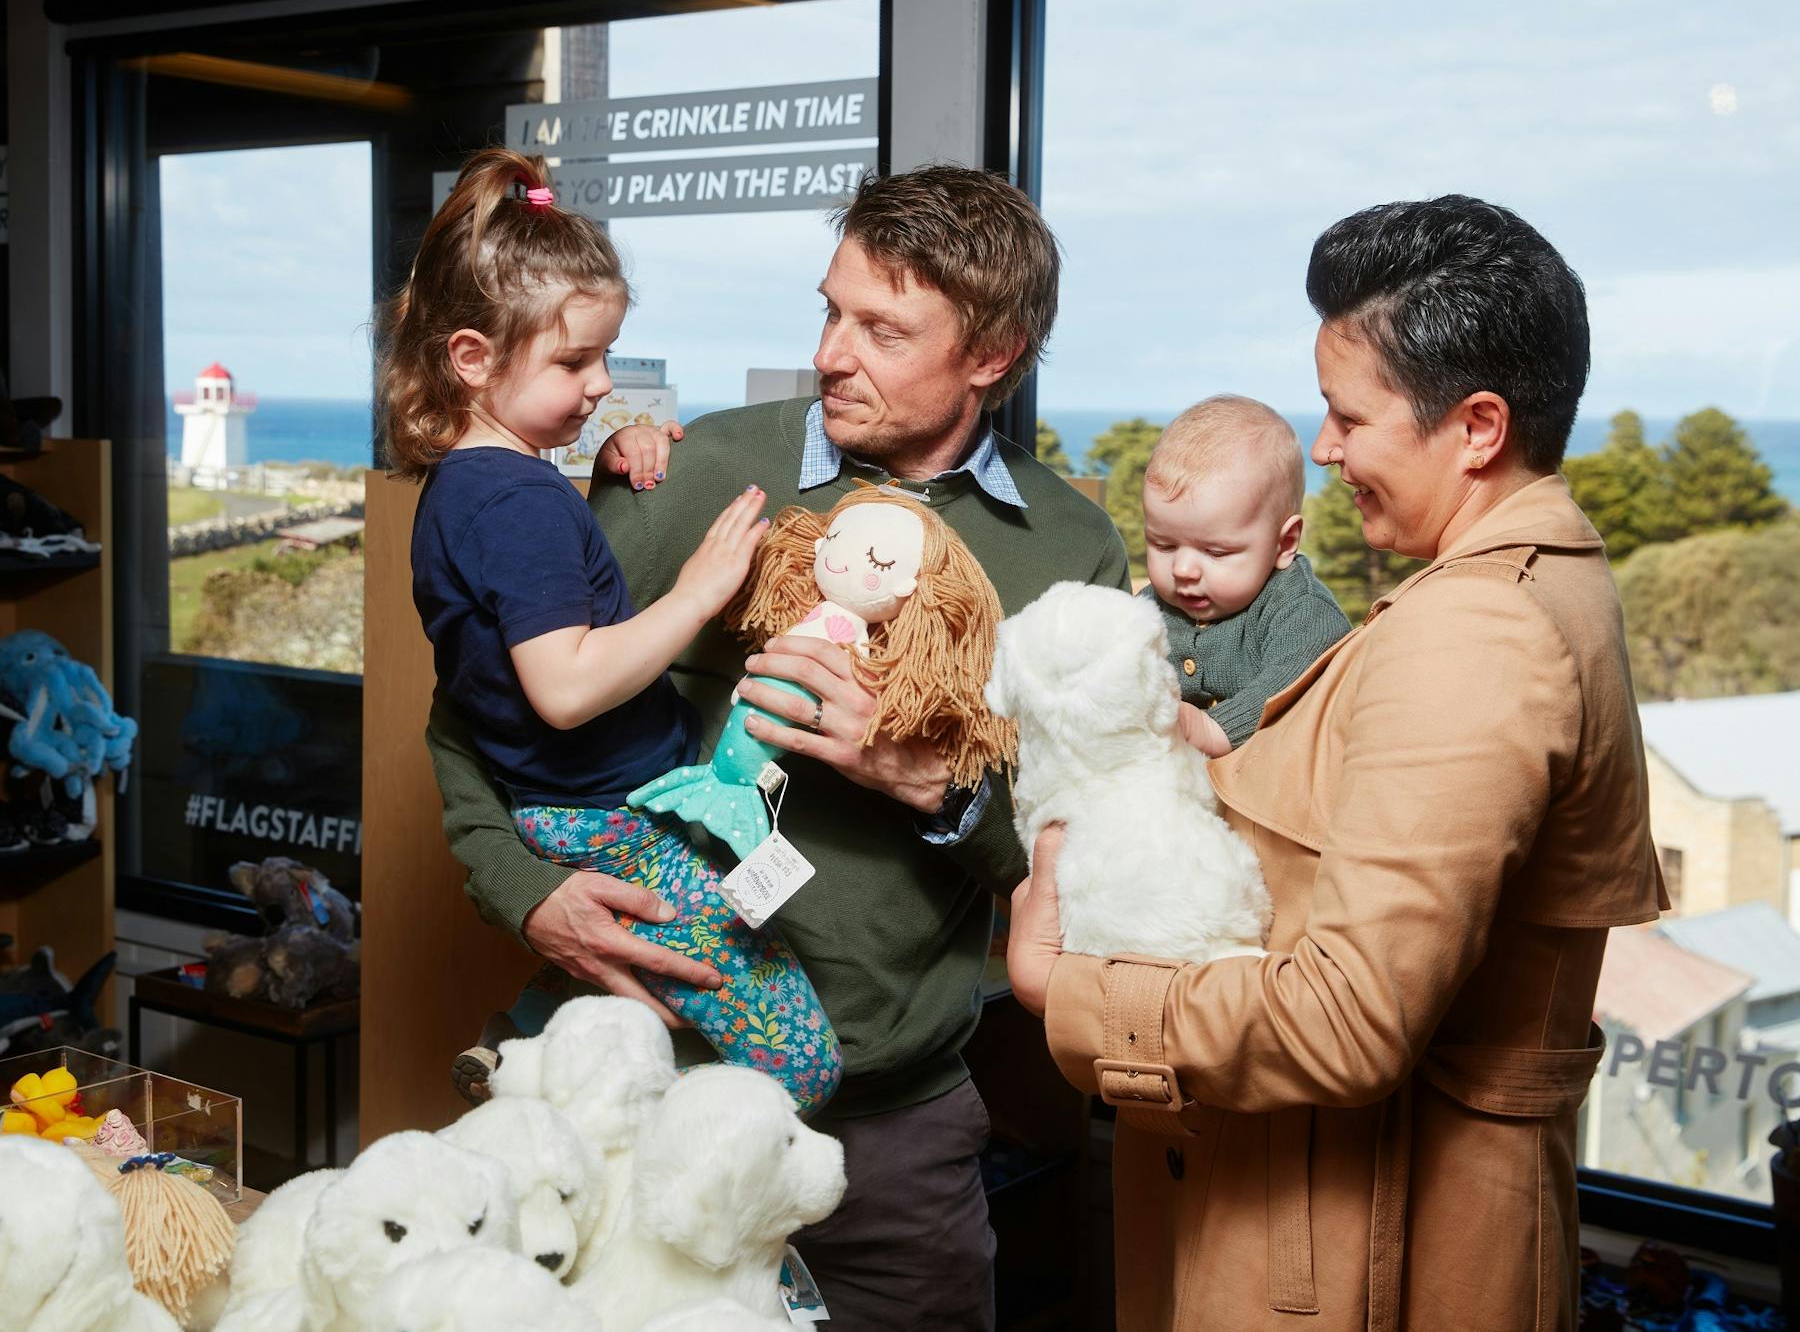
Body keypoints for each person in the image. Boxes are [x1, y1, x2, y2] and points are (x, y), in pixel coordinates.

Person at [426, 163, 1130, 1328]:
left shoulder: (1072, 551)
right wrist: (524, 892)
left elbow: (1084, 866)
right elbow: (475, 713)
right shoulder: (693, 470)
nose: (829, 353)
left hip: (886, 1130)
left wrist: (927, 782)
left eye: (881, 329)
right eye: (830, 309)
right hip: (643, 1091)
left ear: (992, 353)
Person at [1007, 195, 1665, 1331]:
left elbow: (1348, 1018)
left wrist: (1064, 990)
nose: (1325, 448)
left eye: (1346, 417)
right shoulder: (1547, 582)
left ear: (1477, 428)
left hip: (1368, 1242)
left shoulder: (1479, 631)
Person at [381, 147, 842, 1117]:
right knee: (801, 1062)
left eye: (605, 356)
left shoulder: (469, 486)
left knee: (656, 992)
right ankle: (534, 1065)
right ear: (472, 356)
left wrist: (612, 454)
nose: (598, 385)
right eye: (574, 361)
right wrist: (698, 593)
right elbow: (566, 685)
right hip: (614, 819)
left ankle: (539, 1052)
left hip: (570, 809)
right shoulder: (516, 502)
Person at [1141, 395, 1349, 758]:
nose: (1182, 570)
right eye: (1163, 545)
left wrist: (1216, 726)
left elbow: (1296, 675)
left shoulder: (1299, 610)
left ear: (1283, 543)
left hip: (1262, 788)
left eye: (1216, 552)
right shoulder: (1149, 608)